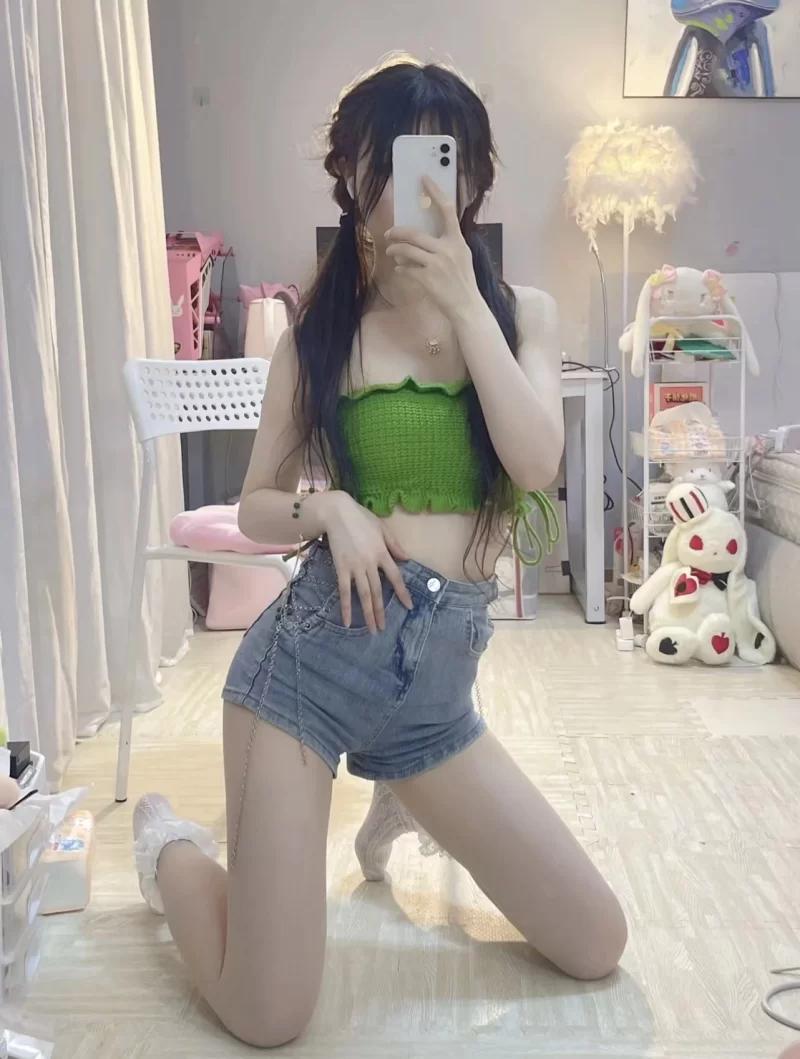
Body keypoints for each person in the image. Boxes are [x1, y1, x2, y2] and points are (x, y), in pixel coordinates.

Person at [132, 56, 627, 1049]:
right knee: (268, 1014)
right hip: (304, 677)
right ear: (355, 186)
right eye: (389, 166)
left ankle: (401, 796)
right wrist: (330, 510)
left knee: (594, 941)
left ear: (472, 179)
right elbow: (257, 506)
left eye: (445, 162)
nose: (418, 190)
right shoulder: (318, 340)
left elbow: (535, 462)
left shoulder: (519, 313)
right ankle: (168, 849)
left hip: (431, 702)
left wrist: (465, 308)